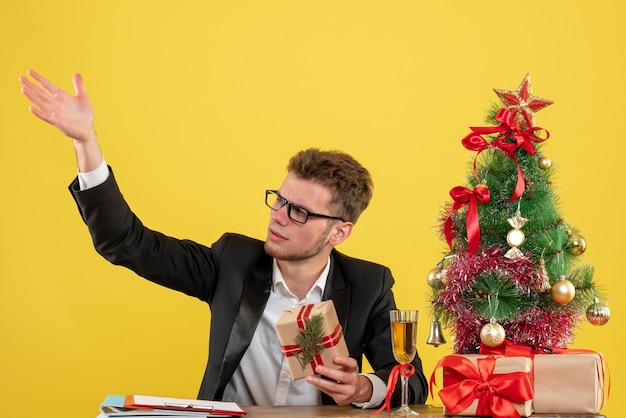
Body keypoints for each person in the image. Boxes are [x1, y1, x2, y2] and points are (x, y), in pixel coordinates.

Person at [19, 70, 428, 408]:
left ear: (339, 231)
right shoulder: (232, 261)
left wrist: (363, 389)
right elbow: (126, 242)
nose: (278, 217)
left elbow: (413, 384)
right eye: (280, 200)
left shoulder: (369, 285)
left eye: (299, 211)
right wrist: (85, 142)